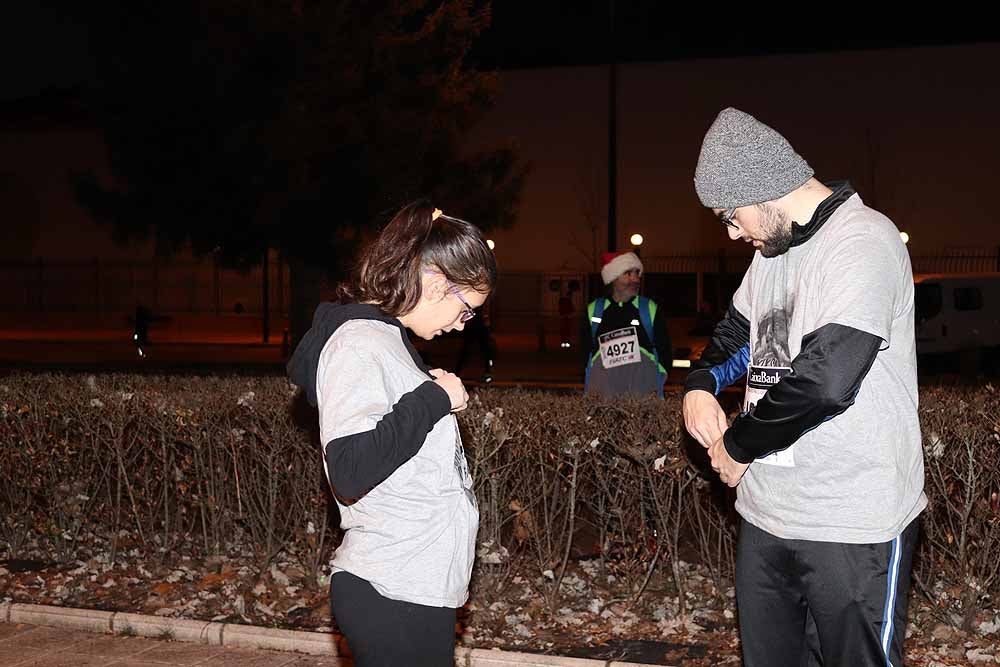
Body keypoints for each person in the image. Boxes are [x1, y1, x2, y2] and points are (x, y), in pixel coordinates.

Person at [683, 107, 926, 666]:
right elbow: (735, 336)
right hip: (767, 516)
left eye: (730, 214)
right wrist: (700, 384)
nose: (731, 231)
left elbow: (827, 378)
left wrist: (738, 446)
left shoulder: (863, 240)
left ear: (761, 187)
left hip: (851, 522)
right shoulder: (772, 254)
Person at [286, 201, 495, 667]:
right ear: (438, 283)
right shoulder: (358, 343)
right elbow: (351, 468)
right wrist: (431, 399)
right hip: (391, 588)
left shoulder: (389, 341)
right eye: (467, 311)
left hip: (417, 587)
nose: (463, 325)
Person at [583, 250, 671, 397]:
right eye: (628, 274)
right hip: (604, 395)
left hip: (643, 394)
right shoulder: (594, 310)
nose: (635, 279)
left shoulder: (648, 309)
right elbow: (585, 352)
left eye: (637, 273)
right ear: (614, 278)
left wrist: (659, 375)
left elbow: (665, 348)